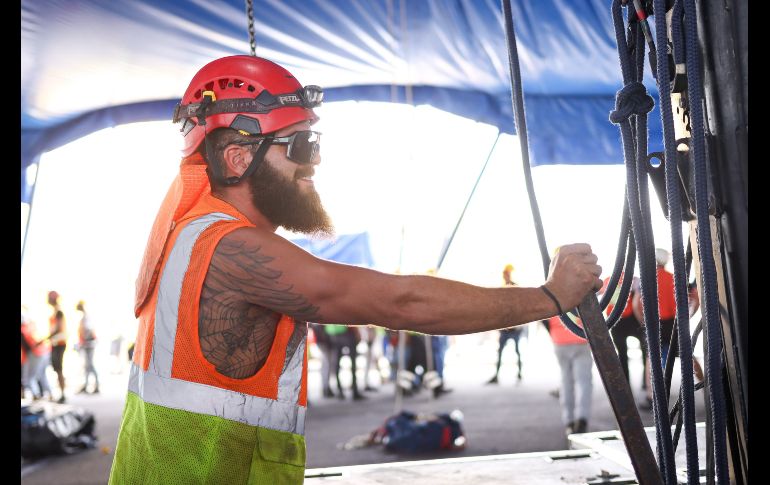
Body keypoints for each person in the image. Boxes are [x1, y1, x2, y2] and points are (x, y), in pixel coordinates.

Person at [108, 55, 602, 484]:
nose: (315, 162)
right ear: (238, 157)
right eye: (300, 146)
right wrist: (552, 296)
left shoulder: (194, 231)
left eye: (315, 143)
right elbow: (400, 302)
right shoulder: (227, 248)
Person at [633, 248, 676, 409]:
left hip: (655, 323)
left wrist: (643, 322)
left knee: (653, 359)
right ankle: (706, 389)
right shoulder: (673, 278)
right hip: (672, 323)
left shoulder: (647, 280)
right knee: (688, 357)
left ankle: (652, 397)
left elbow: (637, 303)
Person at [547, 315, 594, 436]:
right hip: (580, 338)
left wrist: (552, 332)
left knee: (565, 382)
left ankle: (569, 421)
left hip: (559, 339)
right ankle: (582, 419)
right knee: (584, 382)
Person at [600, 273, 645, 387]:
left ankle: (626, 385)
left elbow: (599, 296)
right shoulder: (633, 279)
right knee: (646, 351)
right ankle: (646, 383)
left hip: (615, 320)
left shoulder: (607, 280)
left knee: (622, 355)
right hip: (632, 319)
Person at [486, 264, 527, 383]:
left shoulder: (516, 288)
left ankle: (519, 373)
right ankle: (497, 375)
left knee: (517, 351)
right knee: (500, 352)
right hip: (504, 328)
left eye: (506, 274)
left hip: (515, 328)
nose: (505, 276)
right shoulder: (502, 288)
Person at [42, 290, 68, 403]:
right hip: (56, 343)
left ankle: (62, 393)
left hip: (59, 343)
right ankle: (61, 392)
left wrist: (45, 339)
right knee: (57, 368)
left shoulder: (58, 312)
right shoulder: (55, 312)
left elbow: (58, 328)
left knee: (59, 368)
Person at [76, 300, 100, 394]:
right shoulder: (84, 317)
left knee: (90, 364)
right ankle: (86, 385)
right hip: (86, 343)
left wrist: (85, 340)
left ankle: (96, 385)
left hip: (89, 343)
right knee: (87, 365)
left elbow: (89, 330)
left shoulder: (86, 317)